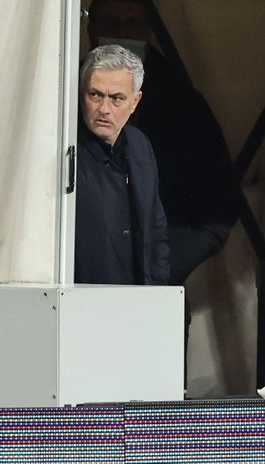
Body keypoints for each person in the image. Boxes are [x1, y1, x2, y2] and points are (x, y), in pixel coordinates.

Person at [86, 0, 236, 286]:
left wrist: (162, 265)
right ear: (90, 30)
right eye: (111, 24)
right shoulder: (65, 91)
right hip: (82, 271)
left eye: (131, 24)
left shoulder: (180, 101)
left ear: (148, 31)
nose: (121, 34)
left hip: (161, 266)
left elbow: (218, 208)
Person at [76, 44, 170, 286]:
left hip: (137, 298)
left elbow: (156, 231)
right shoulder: (66, 147)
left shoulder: (140, 146)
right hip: (83, 297)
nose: (104, 109)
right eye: (95, 95)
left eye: (116, 98)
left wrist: (156, 294)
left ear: (135, 102)